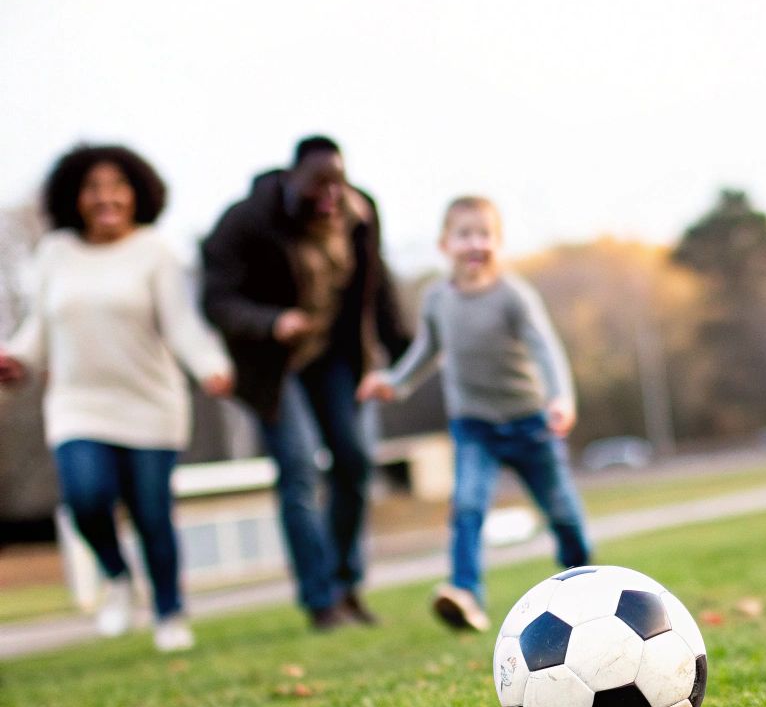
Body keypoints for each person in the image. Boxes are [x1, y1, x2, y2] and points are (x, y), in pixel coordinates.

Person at [0, 145, 234, 651]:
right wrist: (15, 358)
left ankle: (170, 614)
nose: (105, 198)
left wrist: (211, 367)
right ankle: (117, 578)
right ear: (74, 197)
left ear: (137, 194)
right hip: (78, 403)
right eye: (92, 187)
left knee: (152, 515)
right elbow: (39, 328)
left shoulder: (155, 250)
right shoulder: (55, 252)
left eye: (116, 186)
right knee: (85, 498)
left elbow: (182, 325)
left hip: (150, 402)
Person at [201, 136, 410, 631]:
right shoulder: (245, 220)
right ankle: (320, 601)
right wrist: (272, 322)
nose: (328, 198)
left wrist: (402, 359)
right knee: (298, 468)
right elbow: (216, 300)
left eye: (336, 185)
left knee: (355, 461)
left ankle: (346, 584)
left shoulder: (360, 213)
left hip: (334, 358)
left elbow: (376, 287)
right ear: (291, 179)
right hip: (272, 366)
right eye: (317, 187)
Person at [356, 197, 588, 632]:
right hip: (474, 426)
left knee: (561, 512)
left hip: (530, 422)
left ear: (499, 243)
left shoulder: (513, 295)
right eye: (465, 234)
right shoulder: (437, 299)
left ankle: (583, 585)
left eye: (485, 234)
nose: (475, 243)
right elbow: (427, 349)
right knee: (466, 505)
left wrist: (561, 398)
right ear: (445, 244)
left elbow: (545, 347)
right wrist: (396, 382)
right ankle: (465, 594)